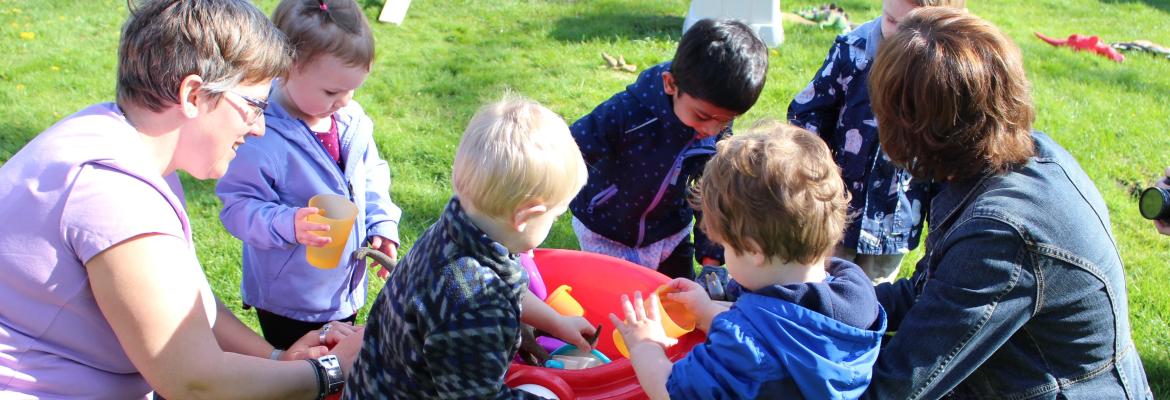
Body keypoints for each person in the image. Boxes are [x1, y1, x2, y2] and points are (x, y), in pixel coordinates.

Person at [0, 1, 362, 399]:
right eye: (255, 105)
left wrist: (276, 360)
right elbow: (194, 384)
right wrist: (331, 369)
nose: (259, 127)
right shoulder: (114, 196)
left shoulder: (126, 145)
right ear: (193, 94)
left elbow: (187, 301)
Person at [863, 8, 1152, 398]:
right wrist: (822, 301)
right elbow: (931, 292)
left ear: (914, 126)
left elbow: (899, 385)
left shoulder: (1000, 233)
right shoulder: (1008, 155)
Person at [345, 97, 598, 398]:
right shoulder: (472, 305)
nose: (555, 222)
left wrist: (556, 322)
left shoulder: (457, 229)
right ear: (526, 217)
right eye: (555, 215)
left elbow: (507, 284)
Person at [611, 123, 887, 399]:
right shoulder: (854, 294)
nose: (724, 256)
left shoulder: (742, 349)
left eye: (726, 247)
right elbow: (782, 333)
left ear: (755, 251)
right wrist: (707, 311)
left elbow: (672, 393)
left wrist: (645, 344)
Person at [216, 0, 402, 350]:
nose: (345, 101)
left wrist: (382, 224)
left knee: (336, 360)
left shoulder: (349, 120)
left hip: (343, 287)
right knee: (299, 370)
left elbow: (372, 174)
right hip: (289, 300)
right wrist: (289, 223)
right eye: (333, 91)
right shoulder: (260, 135)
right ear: (286, 68)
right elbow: (237, 207)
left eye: (353, 89)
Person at [568, 18, 769, 284]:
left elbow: (711, 192)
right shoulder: (626, 113)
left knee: (677, 308)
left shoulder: (714, 123)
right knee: (612, 305)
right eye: (703, 115)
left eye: (725, 119)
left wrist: (712, 259)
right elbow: (568, 151)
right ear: (670, 84)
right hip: (606, 232)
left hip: (670, 236)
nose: (712, 130)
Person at [787, 0, 966, 284]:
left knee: (871, 299)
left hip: (894, 222)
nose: (896, 34)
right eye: (890, 20)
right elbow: (806, 112)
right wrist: (814, 170)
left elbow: (950, 153)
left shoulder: (947, 72)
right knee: (817, 287)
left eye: (910, 27)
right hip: (837, 208)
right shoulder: (853, 51)